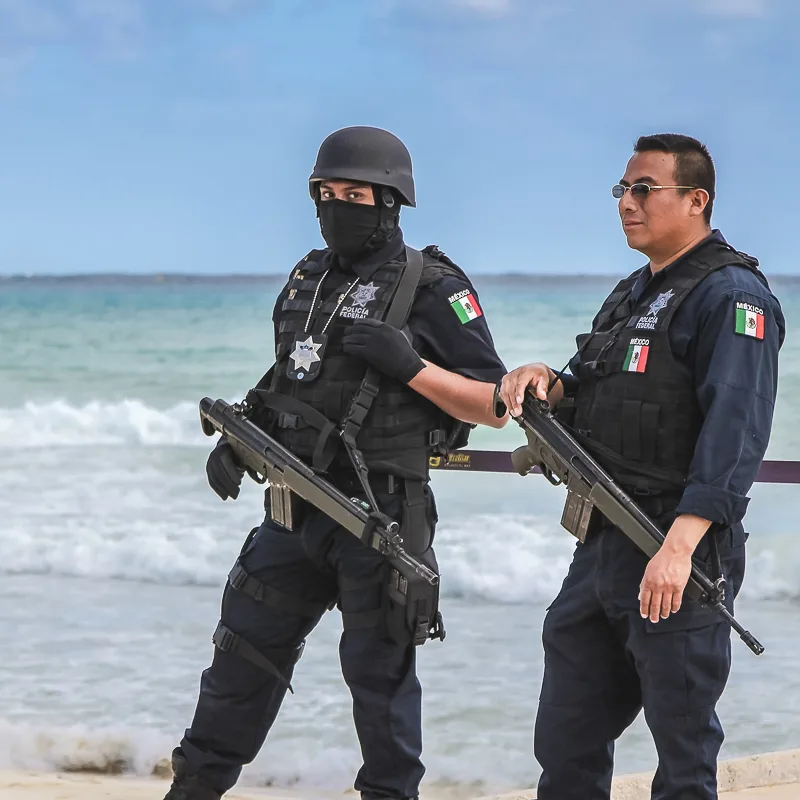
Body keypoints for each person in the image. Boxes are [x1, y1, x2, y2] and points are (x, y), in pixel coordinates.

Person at [164, 125, 508, 800]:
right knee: (239, 662)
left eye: (355, 194)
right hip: (292, 513)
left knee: (380, 690)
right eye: (326, 192)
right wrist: (239, 440)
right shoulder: (306, 278)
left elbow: (493, 405)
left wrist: (409, 366)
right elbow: (292, 382)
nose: (336, 206)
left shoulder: (434, 287)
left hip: (379, 518)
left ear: (391, 202)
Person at [499, 133, 785, 800]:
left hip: (673, 548)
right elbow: (597, 383)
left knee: (682, 752)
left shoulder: (733, 296)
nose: (627, 203)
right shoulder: (635, 292)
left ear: (696, 200)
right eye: (621, 190)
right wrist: (549, 379)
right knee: (566, 741)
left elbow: (736, 432)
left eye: (643, 189)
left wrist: (680, 548)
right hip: (602, 542)